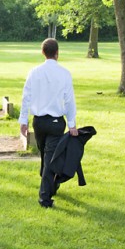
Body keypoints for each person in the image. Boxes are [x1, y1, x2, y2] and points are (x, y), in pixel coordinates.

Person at [19, 38, 78, 208]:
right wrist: (72, 124)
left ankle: (50, 184)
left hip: (39, 122)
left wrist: (24, 120)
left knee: (47, 156)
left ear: (43, 52)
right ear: (57, 53)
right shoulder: (64, 73)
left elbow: (26, 97)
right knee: (49, 158)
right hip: (55, 122)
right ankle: (45, 197)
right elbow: (69, 101)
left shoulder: (34, 72)